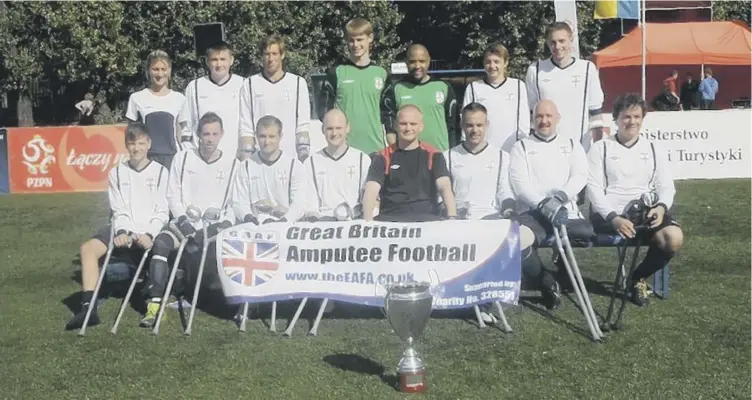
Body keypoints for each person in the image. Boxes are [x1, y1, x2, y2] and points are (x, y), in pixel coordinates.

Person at [66, 123, 169, 330]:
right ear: (126, 145)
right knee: (88, 249)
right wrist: (124, 232)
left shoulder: (161, 172)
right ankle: (88, 308)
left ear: (149, 144)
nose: (136, 148)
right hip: (123, 226)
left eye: (141, 143)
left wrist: (148, 233)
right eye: (132, 143)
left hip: (150, 229)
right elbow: (118, 209)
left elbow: (162, 211)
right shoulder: (117, 172)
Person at [140, 112, 239, 328]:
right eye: (206, 134)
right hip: (185, 223)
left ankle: (206, 296)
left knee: (207, 251)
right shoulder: (183, 157)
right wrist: (182, 218)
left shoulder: (233, 163)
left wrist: (224, 223)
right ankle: (155, 302)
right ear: (197, 135)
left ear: (222, 134)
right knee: (161, 243)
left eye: (214, 133)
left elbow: (234, 202)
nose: (210, 139)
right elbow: (172, 194)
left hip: (213, 227)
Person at [586, 93, 684, 306]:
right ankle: (636, 281)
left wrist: (660, 207)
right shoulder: (600, 148)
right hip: (611, 215)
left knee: (673, 238)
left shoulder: (652, 148)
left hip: (645, 212)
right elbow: (593, 189)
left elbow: (666, 186)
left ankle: (636, 278)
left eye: (637, 116)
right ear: (616, 119)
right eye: (626, 116)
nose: (632, 122)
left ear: (643, 118)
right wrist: (613, 218)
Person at [509, 100, 595, 308]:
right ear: (532, 119)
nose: (544, 121)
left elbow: (580, 176)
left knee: (586, 233)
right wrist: (543, 205)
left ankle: (562, 264)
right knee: (516, 241)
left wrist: (559, 199)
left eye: (548, 116)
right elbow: (520, 184)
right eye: (539, 116)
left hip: (566, 211)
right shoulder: (521, 146)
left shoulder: (572, 144)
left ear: (557, 118)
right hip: (535, 214)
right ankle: (546, 281)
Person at [362, 105, 457, 222]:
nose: (408, 128)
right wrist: (367, 221)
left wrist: (452, 217)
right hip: (390, 220)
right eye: (403, 124)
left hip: (426, 220)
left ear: (421, 127)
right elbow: (371, 189)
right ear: (396, 126)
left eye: (413, 124)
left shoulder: (434, 154)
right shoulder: (382, 156)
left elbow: (444, 186)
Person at [320, 17, 397, 155]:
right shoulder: (336, 73)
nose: (355, 44)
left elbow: (389, 114)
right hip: (344, 151)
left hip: (376, 150)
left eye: (360, 39)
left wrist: (394, 146)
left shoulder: (381, 74)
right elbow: (324, 112)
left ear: (370, 38)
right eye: (351, 40)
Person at [525, 22, 605, 150]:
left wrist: (598, 147)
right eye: (553, 42)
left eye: (562, 41)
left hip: (580, 148)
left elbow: (595, 111)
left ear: (571, 40)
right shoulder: (535, 70)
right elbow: (530, 113)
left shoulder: (587, 68)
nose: (557, 46)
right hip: (546, 148)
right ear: (547, 43)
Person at [239, 35, 311, 162]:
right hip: (259, 159)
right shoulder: (250, 84)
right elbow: (246, 126)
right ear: (261, 56)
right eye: (267, 54)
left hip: (290, 157)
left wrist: (303, 157)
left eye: (274, 53)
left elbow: (303, 125)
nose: (271, 59)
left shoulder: (298, 83)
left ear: (282, 55)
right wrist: (247, 159)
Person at [232, 115, 308, 224]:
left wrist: (283, 221)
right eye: (262, 136)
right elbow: (239, 203)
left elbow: (299, 205)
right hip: (255, 229)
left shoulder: (294, 166)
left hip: (285, 228)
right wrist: (250, 218)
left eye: (271, 136)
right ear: (256, 136)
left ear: (280, 136)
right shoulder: (246, 166)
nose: (266, 142)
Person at [126, 50, 192, 169]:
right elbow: (131, 133)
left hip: (172, 158)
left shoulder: (179, 99)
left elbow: (181, 133)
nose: (160, 74)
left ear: (169, 70)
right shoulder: (137, 98)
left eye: (163, 69)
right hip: (146, 158)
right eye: (155, 69)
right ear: (148, 70)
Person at [303, 109, 371, 220]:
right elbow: (310, 205)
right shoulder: (311, 163)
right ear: (322, 130)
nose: (334, 133)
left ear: (347, 128)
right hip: (323, 225)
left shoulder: (362, 159)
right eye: (330, 129)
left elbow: (370, 201)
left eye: (338, 128)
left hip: (354, 223)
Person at [463, 43, 530, 152]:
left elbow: (524, 123)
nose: (492, 66)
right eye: (488, 62)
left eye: (496, 61)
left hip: (511, 151)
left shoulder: (518, 86)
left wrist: (520, 149)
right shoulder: (473, 87)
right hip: (483, 152)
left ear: (506, 63)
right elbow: (466, 122)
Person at [184, 41, 245, 159]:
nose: (219, 64)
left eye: (223, 59)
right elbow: (187, 126)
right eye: (214, 60)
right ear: (207, 62)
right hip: (203, 159)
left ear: (231, 60)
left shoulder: (243, 84)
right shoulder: (194, 87)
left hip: (235, 158)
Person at [393, 44, 458, 151]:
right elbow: (391, 125)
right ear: (406, 62)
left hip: (439, 154)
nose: (417, 66)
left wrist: (453, 151)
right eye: (413, 61)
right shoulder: (397, 88)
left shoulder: (443, 87)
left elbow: (453, 125)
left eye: (422, 61)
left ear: (428, 62)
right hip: (408, 155)